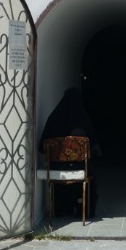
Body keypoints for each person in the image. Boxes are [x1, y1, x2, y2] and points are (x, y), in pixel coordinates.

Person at [39, 88, 99, 216]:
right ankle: (82, 206)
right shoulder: (83, 120)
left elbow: (42, 146)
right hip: (80, 168)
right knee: (90, 170)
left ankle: (61, 207)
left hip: (56, 168)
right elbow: (93, 147)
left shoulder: (53, 118)